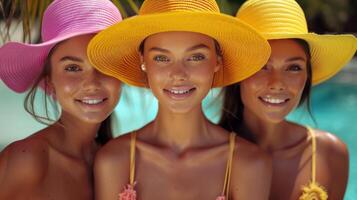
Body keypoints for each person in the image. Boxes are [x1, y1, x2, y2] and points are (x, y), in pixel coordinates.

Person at [87, 0, 273, 199]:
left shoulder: (249, 164)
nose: (178, 74)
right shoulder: (113, 160)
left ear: (217, 62)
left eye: (195, 57)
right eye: (161, 58)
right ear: (143, 62)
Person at [219, 0, 357, 199]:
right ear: (239, 74)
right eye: (262, 66)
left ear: (307, 76)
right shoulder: (205, 156)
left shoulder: (330, 153)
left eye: (294, 68)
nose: (277, 83)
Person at [0, 0, 123, 199]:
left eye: (103, 65)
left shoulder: (117, 159)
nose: (91, 83)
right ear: (50, 83)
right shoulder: (28, 160)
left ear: (121, 76)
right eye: (72, 68)